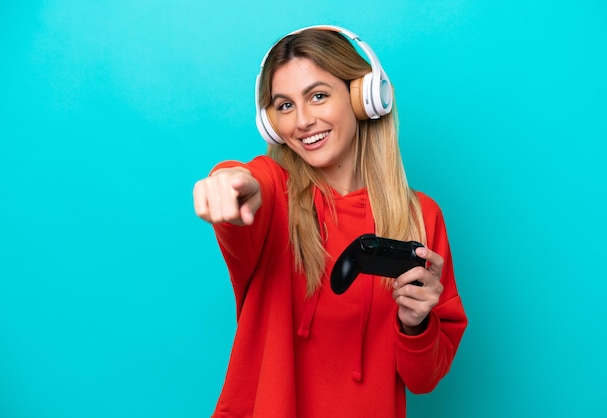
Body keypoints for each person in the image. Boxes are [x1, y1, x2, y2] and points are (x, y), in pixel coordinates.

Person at [193, 25, 467, 418]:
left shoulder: (420, 217)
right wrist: (228, 180)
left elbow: (423, 380)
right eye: (285, 106)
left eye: (317, 96)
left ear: (364, 98)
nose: (302, 121)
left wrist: (415, 324)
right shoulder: (276, 194)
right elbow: (252, 181)